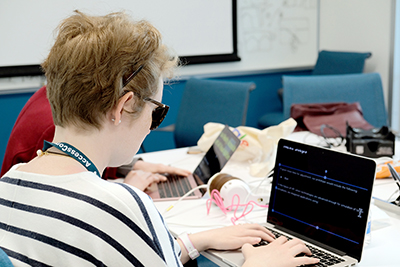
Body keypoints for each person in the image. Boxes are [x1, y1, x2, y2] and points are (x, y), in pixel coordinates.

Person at [0, 10, 319, 267]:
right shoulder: (117, 206)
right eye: (158, 111)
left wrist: (195, 241)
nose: (153, 125)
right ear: (123, 107)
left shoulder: (10, 183)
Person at [0, 85, 191, 191]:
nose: (150, 127)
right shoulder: (53, 128)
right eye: (154, 112)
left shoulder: (55, 98)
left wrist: (130, 166)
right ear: (123, 105)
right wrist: (128, 195)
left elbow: (82, 159)